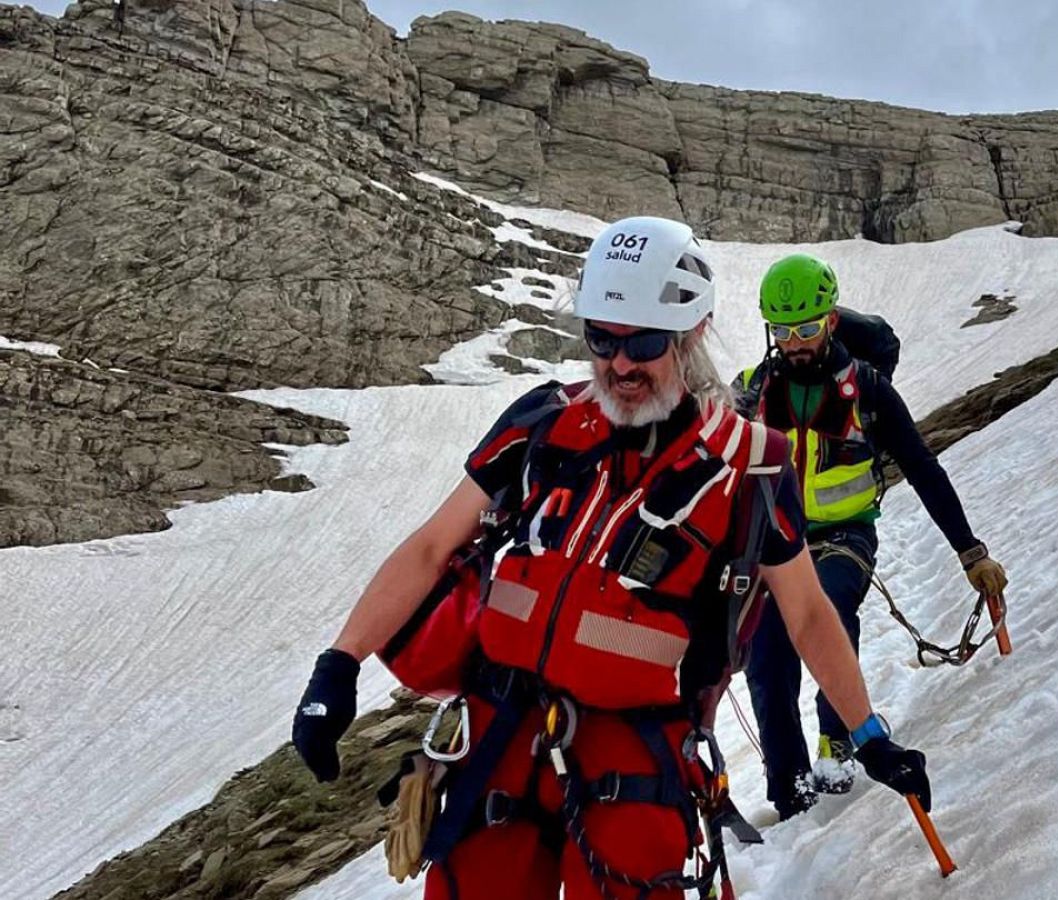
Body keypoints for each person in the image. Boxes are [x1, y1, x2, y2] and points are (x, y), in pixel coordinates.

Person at [290, 218, 930, 900]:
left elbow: (805, 611)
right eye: (603, 339)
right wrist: (339, 666)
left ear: (692, 335)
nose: (621, 364)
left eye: (645, 342)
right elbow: (432, 546)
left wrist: (867, 735)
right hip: (496, 741)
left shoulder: (751, 466)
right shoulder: (541, 421)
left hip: (635, 752)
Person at [734, 253, 1008, 819]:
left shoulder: (869, 390)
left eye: (806, 328)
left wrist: (970, 552)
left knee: (828, 609)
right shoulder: (753, 390)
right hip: (774, 545)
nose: (795, 343)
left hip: (844, 536)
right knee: (766, 657)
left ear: (831, 321)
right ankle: (787, 787)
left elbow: (924, 468)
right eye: (783, 331)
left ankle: (838, 740)